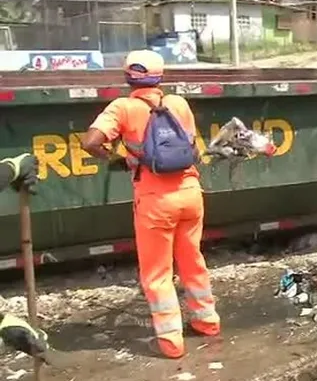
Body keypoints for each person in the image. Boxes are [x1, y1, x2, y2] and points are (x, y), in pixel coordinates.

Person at [81, 50, 219, 359]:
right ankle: (207, 321)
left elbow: (89, 142)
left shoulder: (123, 108)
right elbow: (190, 147)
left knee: (157, 273)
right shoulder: (179, 104)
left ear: (128, 76)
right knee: (192, 261)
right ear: (161, 75)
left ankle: (171, 342)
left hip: (155, 201)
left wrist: (117, 159)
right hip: (191, 193)